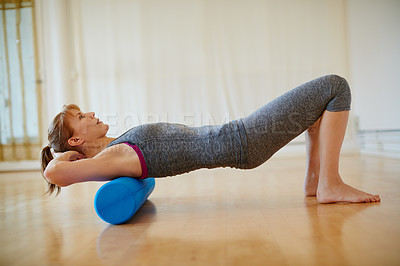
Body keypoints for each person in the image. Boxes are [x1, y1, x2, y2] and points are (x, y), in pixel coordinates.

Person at [41, 74, 381, 203]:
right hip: (243, 140)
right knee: (335, 87)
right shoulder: (109, 159)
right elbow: (55, 175)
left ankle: (315, 182)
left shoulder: (117, 147)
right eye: (80, 117)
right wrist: (57, 160)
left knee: (315, 106)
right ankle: (330, 184)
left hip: (241, 137)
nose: (90, 114)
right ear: (74, 142)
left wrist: (63, 155)